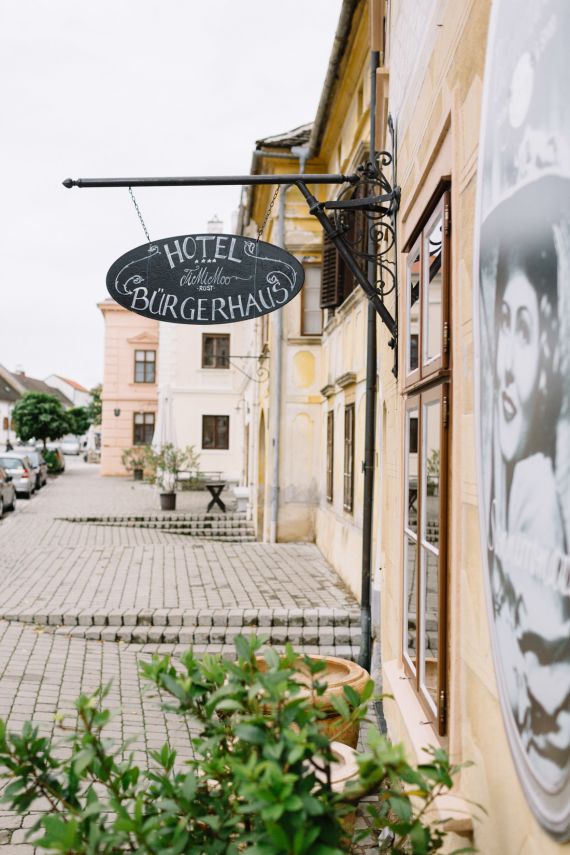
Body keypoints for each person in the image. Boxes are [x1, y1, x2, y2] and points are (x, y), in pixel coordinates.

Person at [490, 224, 570, 789]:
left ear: (549, 351)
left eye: (524, 329)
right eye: (502, 326)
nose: (506, 366)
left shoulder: (540, 494)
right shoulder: (519, 489)